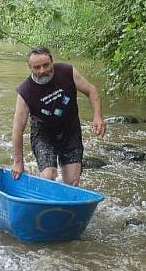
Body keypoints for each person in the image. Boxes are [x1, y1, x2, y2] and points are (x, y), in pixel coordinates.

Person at [11, 46, 106, 186]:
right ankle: (41, 202)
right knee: (48, 176)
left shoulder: (67, 72)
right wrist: (18, 162)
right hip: (43, 134)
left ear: (52, 61)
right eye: (37, 67)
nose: (42, 71)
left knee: (72, 182)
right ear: (30, 67)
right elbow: (17, 129)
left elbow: (91, 91)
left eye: (46, 65)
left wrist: (97, 116)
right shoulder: (25, 92)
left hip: (70, 131)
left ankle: (65, 206)